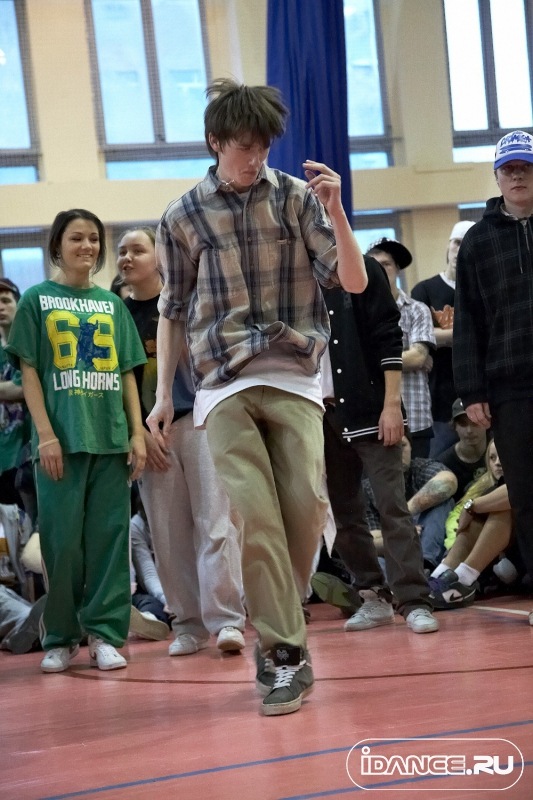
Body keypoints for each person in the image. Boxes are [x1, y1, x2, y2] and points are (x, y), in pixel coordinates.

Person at [147, 79, 368, 716]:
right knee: (256, 514)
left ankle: (279, 611)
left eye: (264, 146)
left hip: (295, 373)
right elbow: (172, 311)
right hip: (222, 382)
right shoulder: (183, 215)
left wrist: (338, 212)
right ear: (215, 142)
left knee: (305, 508)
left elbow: (352, 282)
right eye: (244, 145)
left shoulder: (297, 198)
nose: (255, 157)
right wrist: (162, 397)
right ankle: (282, 652)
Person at [5, 208, 147, 673]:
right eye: (76, 238)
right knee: (62, 544)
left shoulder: (112, 305)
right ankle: (62, 636)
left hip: (110, 440)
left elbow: (127, 373)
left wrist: (137, 432)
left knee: (110, 541)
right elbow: (29, 371)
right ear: (57, 247)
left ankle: (104, 634)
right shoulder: (36, 300)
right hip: (60, 444)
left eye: (93, 239)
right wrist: (45, 435)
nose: (87, 246)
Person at [118, 226, 246, 655]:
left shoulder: (189, 304)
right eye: (121, 251)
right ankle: (188, 624)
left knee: (216, 522)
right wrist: (138, 433)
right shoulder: (117, 315)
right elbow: (118, 384)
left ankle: (227, 620)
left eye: (137, 250)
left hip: (202, 422)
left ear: (159, 257)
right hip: (151, 436)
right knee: (167, 534)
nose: (126, 258)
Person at [318, 255, 438, 634]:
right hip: (318, 413)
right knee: (344, 514)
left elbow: (388, 334)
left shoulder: (361, 267)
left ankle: (415, 600)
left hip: (370, 407)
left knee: (392, 506)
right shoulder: (294, 273)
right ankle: (372, 595)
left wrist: (391, 406)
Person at [453, 129, 533, 627]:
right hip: (508, 387)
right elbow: (467, 321)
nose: (518, 175)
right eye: (509, 169)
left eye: (525, 166)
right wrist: (472, 391)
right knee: (525, 493)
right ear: (497, 178)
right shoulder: (478, 242)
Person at [366, 238, 435, 458]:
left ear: (397, 268)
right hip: (376, 420)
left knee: (419, 476)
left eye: (385, 264)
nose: (380, 270)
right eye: (374, 265)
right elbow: (412, 358)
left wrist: (369, 361)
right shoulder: (358, 314)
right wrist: (405, 357)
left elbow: (418, 357)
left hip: (415, 417)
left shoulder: (417, 310)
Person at [411, 219, 475, 456]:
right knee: (438, 463)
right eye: (457, 242)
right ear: (448, 246)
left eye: (467, 244)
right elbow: (416, 336)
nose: (460, 249)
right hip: (437, 399)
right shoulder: (424, 290)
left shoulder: (480, 290)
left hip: (477, 394)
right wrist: (468, 335)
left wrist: (439, 337)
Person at [429, 440, 512, 608]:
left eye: (503, 456)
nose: (498, 463)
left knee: (501, 506)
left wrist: (472, 506)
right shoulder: (480, 486)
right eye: (492, 458)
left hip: (518, 555)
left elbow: (516, 493)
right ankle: (439, 577)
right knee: (479, 511)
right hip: (490, 559)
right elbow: (458, 516)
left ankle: (464, 580)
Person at [364, 435, 457, 570]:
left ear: (411, 447)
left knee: (443, 499)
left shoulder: (419, 467)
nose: (397, 453)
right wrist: (401, 533)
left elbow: (448, 481)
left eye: (402, 446)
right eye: (389, 448)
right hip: (393, 551)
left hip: (426, 540)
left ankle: (425, 565)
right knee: (373, 561)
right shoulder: (367, 488)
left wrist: (402, 517)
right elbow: (369, 541)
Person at [0, 278, 30, 508]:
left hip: (24, 453)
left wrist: (14, 390)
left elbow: (24, 388)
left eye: (5, 301)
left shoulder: (29, 346)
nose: (0, 307)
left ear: (18, 305)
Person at [437, 398, 488, 501]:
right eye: (463, 424)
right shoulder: (444, 463)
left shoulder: (500, 450)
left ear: (486, 423)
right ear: (454, 426)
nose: (469, 430)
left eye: (475, 422)